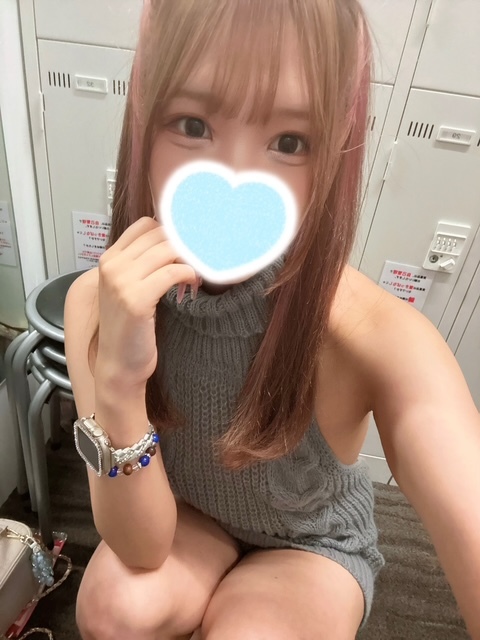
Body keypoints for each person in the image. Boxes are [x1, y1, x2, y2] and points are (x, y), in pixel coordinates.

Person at [64, 0, 480, 638]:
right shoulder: (96, 304)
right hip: (186, 511)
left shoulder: (373, 335)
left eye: (289, 142)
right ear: (144, 116)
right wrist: (119, 382)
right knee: (112, 611)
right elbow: (141, 550)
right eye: (193, 124)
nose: (235, 178)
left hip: (311, 539)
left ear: (332, 153)